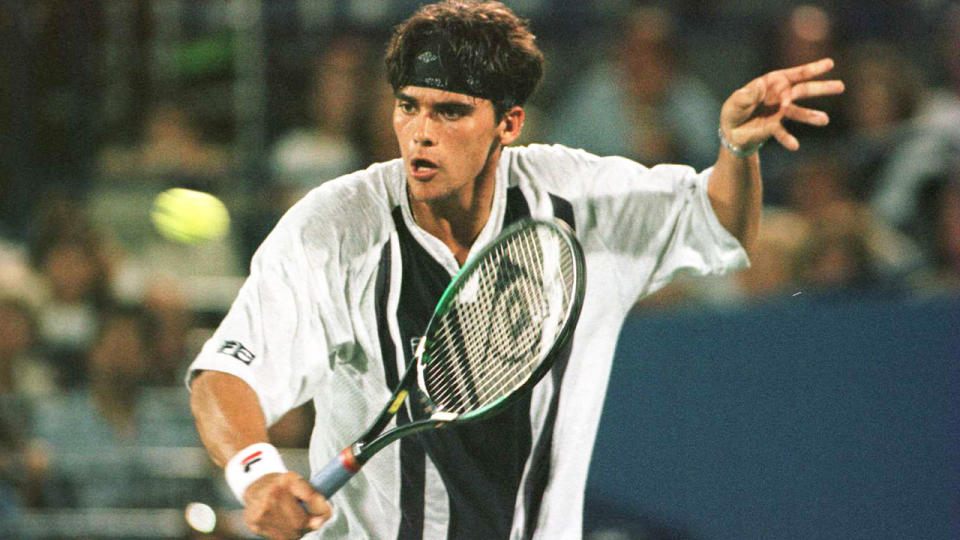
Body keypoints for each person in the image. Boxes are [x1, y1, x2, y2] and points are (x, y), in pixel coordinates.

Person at [186, 2, 844, 539]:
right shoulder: (336, 228)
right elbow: (226, 373)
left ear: (509, 123)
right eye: (408, 105)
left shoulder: (578, 201)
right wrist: (260, 473)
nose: (420, 132)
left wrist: (736, 149)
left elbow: (722, 225)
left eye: (449, 112)